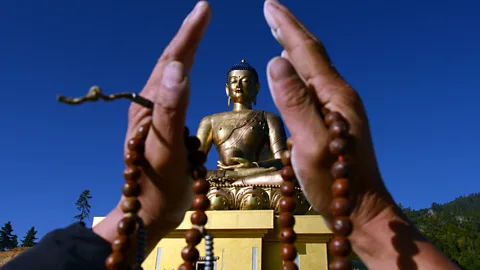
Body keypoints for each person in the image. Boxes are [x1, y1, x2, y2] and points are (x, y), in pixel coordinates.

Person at [2, 1, 460, 269]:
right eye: (234, 81)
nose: (240, 85)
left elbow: (284, 160)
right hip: (220, 185)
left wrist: (282, 174)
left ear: (256, 87)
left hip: (259, 182)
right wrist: (368, 212)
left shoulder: (266, 117)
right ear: (226, 87)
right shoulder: (211, 119)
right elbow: (196, 162)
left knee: (288, 185)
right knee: (209, 188)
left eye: (247, 81)